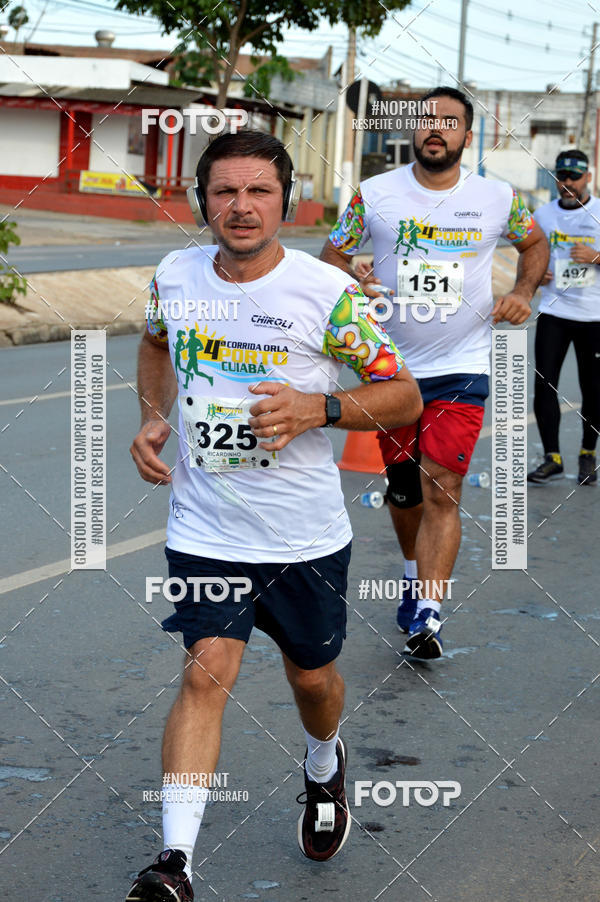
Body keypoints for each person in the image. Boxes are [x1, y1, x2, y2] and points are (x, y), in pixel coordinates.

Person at [126, 131, 422, 902]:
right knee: (206, 670)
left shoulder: (327, 294)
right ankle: (175, 866)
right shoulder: (176, 273)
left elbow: (403, 395)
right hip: (206, 528)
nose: (241, 206)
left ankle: (324, 766)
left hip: (303, 535)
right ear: (203, 201)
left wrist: (316, 407)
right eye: (225, 191)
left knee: (313, 677)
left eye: (258, 191)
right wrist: (155, 416)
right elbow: (155, 346)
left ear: (285, 202)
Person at [320, 86, 549, 659]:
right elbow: (332, 258)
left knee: (442, 487)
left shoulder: (499, 198)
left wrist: (523, 290)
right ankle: (410, 572)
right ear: (413, 133)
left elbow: (535, 242)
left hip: (463, 364)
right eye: (427, 121)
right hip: (393, 371)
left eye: (450, 122)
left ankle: (429, 610)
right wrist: (355, 286)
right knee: (403, 491)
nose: (436, 129)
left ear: (468, 138)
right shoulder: (374, 195)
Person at [527, 149, 600, 486]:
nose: (567, 183)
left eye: (574, 176)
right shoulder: (543, 214)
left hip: (594, 315)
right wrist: (536, 272)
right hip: (554, 311)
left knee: (594, 388)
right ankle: (551, 457)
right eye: (562, 176)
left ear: (588, 177)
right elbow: (529, 253)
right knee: (544, 383)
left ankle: (588, 454)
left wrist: (596, 256)